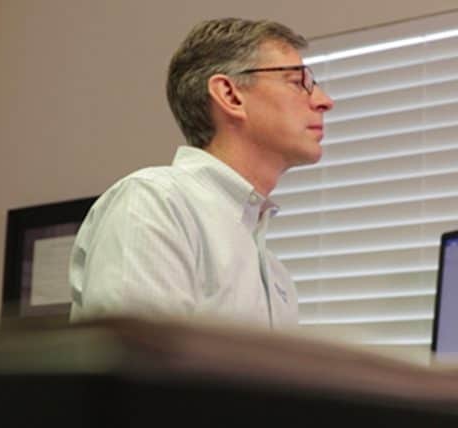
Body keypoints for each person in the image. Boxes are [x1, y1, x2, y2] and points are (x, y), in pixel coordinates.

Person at [68, 18, 334, 328]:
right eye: (297, 82)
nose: (324, 101)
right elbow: (136, 369)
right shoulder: (155, 203)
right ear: (230, 95)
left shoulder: (277, 276)